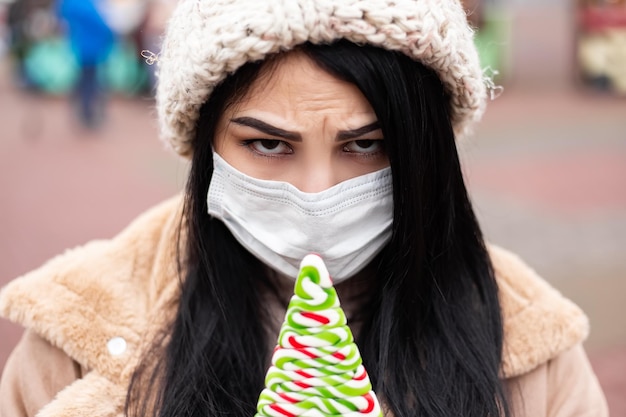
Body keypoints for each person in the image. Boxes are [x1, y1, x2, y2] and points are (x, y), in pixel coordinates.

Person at [0, 0, 609, 416]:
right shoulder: (74, 339)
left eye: (366, 144)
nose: (317, 195)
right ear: (205, 144)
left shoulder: (535, 351)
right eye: (267, 144)